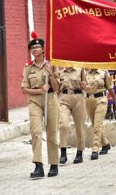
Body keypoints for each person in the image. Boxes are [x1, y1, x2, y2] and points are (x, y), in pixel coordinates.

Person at [21, 32, 60, 178]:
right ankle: (38, 165)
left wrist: (50, 74)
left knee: (51, 133)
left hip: (50, 100)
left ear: (43, 49)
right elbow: (24, 88)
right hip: (35, 101)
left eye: (37, 47)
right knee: (36, 133)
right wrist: (39, 90)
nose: (34, 50)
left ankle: (54, 164)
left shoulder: (51, 65)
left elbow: (56, 89)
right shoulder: (28, 68)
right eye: (32, 48)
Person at [84, 69, 116, 160]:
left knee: (97, 126)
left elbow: (110, 89)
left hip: (101, 100)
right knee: (95, 125)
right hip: (89, 101)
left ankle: (95, 148)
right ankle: (106, 144)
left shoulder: (104, 73)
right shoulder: (85, 73)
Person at [58, 66, 87, 164]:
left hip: (78, 97)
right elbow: (57, 87)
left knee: (79, 127)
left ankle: (79, 152)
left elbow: (85, 85)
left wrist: (84, 86)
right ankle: (63, 152)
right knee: (63, 124)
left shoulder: (80, 69)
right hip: (63, 98)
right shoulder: (59, 70)